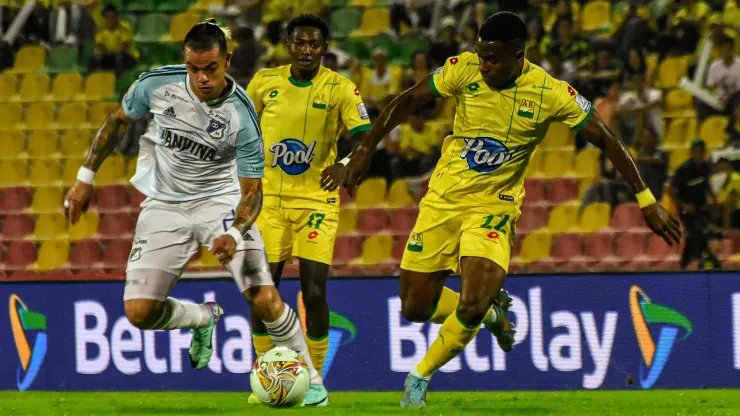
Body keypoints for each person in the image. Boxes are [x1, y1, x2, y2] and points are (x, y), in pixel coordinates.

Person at [332, 12, 682, 408]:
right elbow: (408, 99)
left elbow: (605, 138)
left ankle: (419, 378)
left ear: (519, 56)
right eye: (481, 55)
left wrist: (646, 200)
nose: (484, 64)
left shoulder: (550, 92)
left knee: (472, 299)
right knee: (415, 307)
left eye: (493, 59)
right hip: (443, 200)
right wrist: (362, 150)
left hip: (494, 206)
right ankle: (494, 317)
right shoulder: (463, 69)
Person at [63, 19, 326, 407]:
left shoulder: (242, 116)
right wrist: (85, 177)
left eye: (211, 69)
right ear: (186, 63)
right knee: (138, 313)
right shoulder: (156, 85)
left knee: (264, 297)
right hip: (163, 205)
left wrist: (234, 234)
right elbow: (116, 122)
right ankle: (202, 318)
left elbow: (253, 193)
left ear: (227, 62)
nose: (201, 78)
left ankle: (313, 381)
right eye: (194, 69)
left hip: (219, 202)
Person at [244, 14, 371, 407]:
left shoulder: (340, 89)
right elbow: (242, 128)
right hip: (270, 203)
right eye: (299, 43)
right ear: (288, 44)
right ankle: (267, 373)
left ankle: (315, 381)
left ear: (324, 48)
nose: (306, 50)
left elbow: (367, 137)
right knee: (261, 293)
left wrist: (347, 163)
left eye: (314, 44)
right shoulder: (265, 82)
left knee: (314, 293)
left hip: (317, 200)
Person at [669, 139, 721, 270]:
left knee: (708, 233)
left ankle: (693, 264)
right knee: (694, 233)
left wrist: (713, 199)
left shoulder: (705, 167)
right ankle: (693, 263)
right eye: (697, 152)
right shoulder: (684, 170)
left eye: (702, 152)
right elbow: (670, 190)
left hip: (700, 208)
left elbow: (707, 184)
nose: (700, 154)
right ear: (691, 153)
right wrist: (683, 205)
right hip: (687, 210)